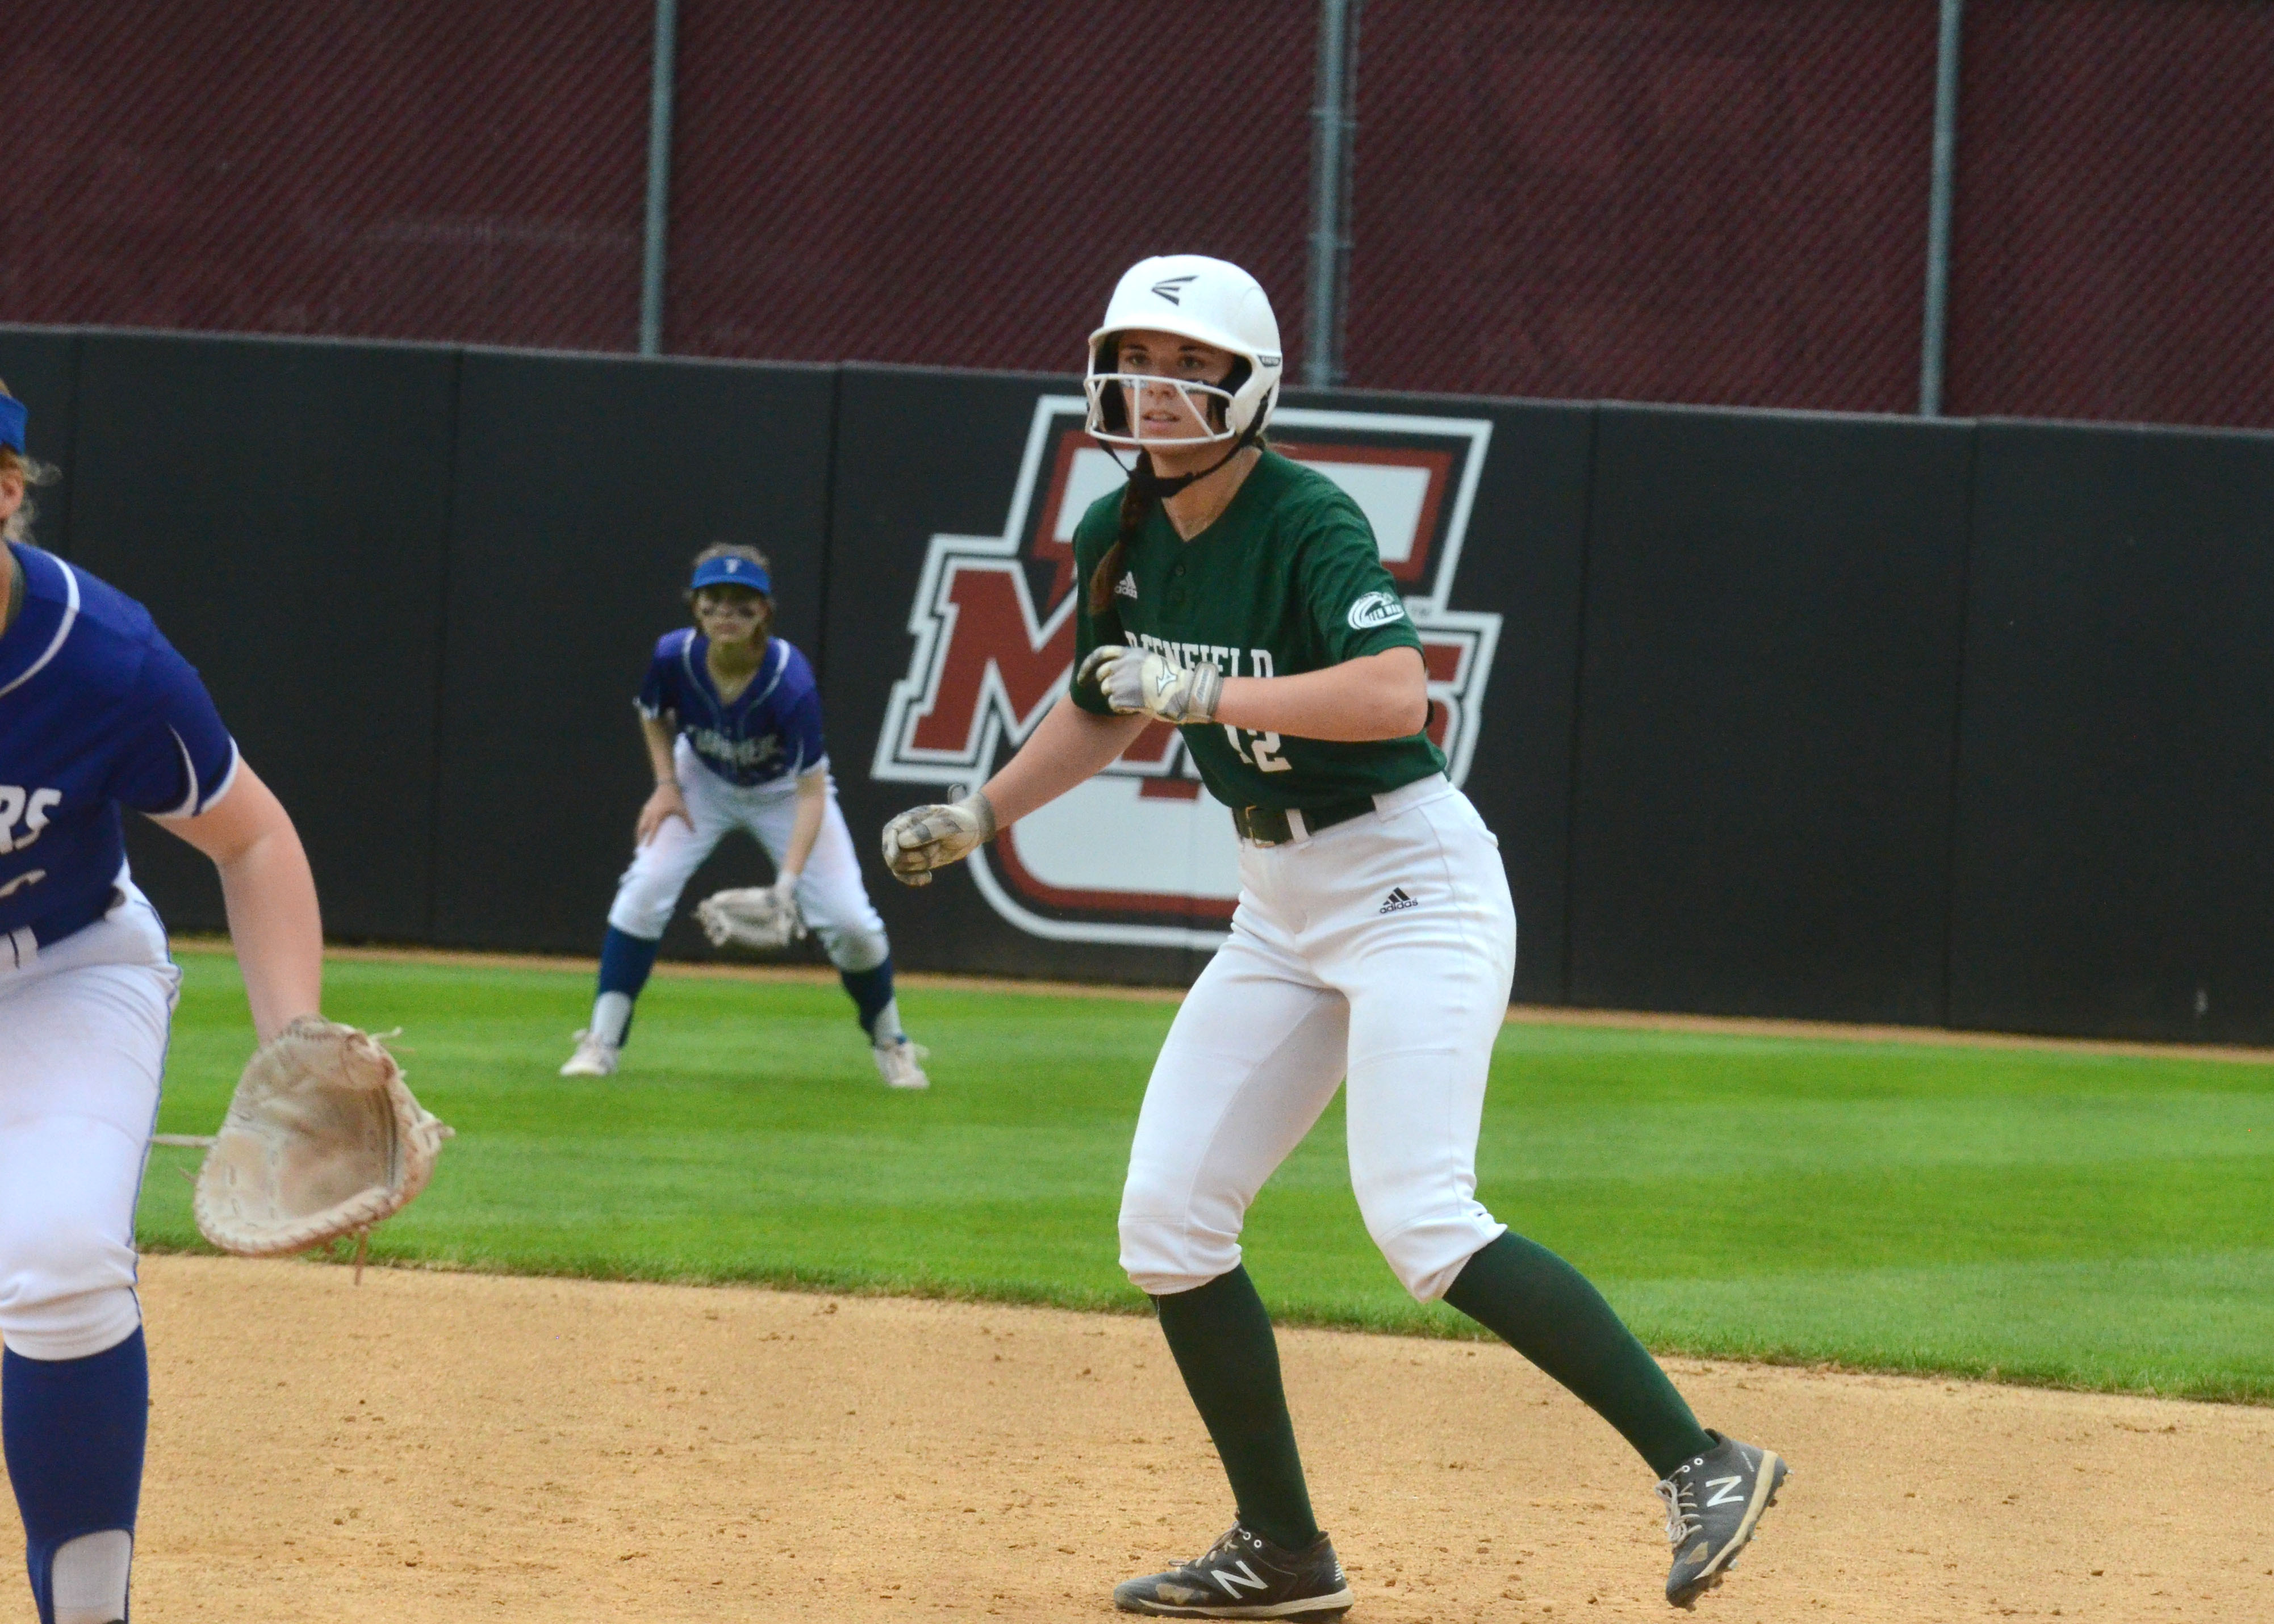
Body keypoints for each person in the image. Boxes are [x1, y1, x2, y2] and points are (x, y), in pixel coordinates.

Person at [881, 257, 1786, 1615]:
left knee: (1422, 1215)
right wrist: (983, 808)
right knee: (1168, 1220)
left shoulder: (1309, 515)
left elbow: (1391, 692)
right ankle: (1284, 1548)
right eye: (1137, 359)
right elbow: (1103, 701)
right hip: (1280, 905)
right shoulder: (1120, 527)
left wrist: (1205, 680)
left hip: (1411, 883)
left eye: (1189, 367)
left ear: (1245, 389)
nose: (1157, 389)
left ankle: (1706, 1459)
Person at [0, 383, 327, 1624]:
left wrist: (292, 1047)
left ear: (10, 490)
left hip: (63, 971)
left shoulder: (104, 657)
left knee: (64, 1256)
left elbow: (250, 840)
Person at [562, 544, 927, 1089]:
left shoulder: (790, 679)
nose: (726, 613)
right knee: (644, 890)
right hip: (702, 780)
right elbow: (652, 716)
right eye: (715, 601)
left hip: (784, 792)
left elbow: (810, 793)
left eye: (742, 603)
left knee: (853, 925)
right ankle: (602, 1042)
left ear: (765, 612)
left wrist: (787, 884)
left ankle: (892, 1044)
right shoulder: (673, 656)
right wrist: (665, 785)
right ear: (696, 607)